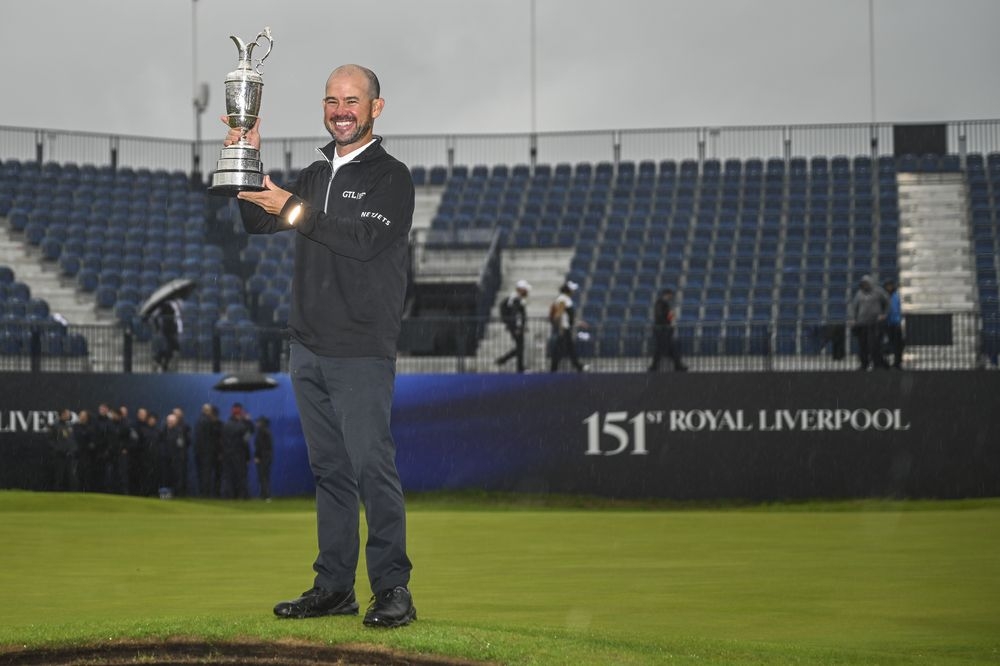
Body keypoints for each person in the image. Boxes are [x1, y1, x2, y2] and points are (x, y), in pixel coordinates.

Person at [229, 63, 416, 628]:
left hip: (360, 348)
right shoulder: (313, 176)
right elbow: (256, 223)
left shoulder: (392, 177)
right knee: (331, 472)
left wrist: (290, 206)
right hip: (307, 346)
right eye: (332, 100)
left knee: (371, 469)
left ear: (376, 108)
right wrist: (246, 154)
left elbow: (361, 241)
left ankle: (394, 589)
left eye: (352, 100)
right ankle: (334, 587)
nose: (341, 109)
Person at [848, 275, 889, 371]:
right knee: (863, 345)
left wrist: (884, 314)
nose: (864, 285)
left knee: (874, 345)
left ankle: (877, 364)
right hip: (861, 323)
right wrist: (853, 318)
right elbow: (854, 307)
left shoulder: (878, 291)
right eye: (863, 284)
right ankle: (864, 364)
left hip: (875, 323)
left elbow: (887, 302)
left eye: (866, 283)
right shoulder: (859, 294)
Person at [549, 281, 588, 372]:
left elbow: (568, 315)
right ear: (568, 290)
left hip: (565, 327)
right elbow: (559, 314)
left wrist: (578, 322)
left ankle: (578, 366)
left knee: (567, 348)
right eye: (572, 289)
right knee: (561, 349)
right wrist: (561, 327)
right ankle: (554, 369)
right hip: (563, 328)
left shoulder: (565, 299)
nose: (574, 291)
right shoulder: (563, 299)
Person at [495, 279, 531, 373]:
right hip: (515, 327)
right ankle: (504, 361)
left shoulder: (514, 298)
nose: (527, 291)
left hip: (514, 326)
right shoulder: (516, 299)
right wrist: (518, 327)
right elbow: (516, 315)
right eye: (525, 289)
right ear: (520, 289)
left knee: (520, 347)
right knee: (520, 347)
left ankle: (518, 366)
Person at [648, 288, 688, 372]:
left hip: (664, 330)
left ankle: (676, 365)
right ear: (666, 294)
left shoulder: (664, 304)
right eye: (670, 295)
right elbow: (660, 316)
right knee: (663, 349)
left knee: (668, 348)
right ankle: (655, 367)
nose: (671, 297)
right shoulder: (660, 303)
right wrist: (668, 320)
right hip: (662, 331)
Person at [220, 403, 253, 500]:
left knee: (228, 476)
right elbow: (246, 440)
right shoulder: (242, 426)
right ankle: (242, 495)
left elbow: (222, 441)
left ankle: (229, 495)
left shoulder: (225, 425)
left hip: (227, 455)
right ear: (239, 414)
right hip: (239, 455)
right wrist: (248, 421)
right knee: (241, 476)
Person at [195, 403, 222, 497]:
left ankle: (203, 492)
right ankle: (206, 493)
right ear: (208, 411)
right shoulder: (208, 422)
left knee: (202, 474)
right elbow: (213, 437)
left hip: (200, 452)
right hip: (208, 452)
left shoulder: (199, 421)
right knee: (207, 474)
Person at [47, 408, 77, 491]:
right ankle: (57, 493)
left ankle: (70, 493)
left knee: (70, 475)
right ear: (62, 414)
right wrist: (59, 449)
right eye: (67, 413)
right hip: (59, 455)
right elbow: (50, 440)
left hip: (69, 455)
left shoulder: (69, 425)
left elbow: (72, 440)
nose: (69, 415)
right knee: (58, 475)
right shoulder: (54, 425)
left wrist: (73, 449)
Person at [152, 298, 182, 372]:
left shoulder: (176, 304)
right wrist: (157, 327)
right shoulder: (165, 305)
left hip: (173, 330)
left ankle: (160, 362)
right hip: (167, 330)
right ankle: (158, 360)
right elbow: (155, 316)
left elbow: (177, 318)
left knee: (173, 349)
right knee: (173, 348)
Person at [883, 278, 905, 369]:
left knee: (898, 344)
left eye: (890, 286)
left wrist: (899, 320)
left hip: (896, 323)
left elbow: (899, 309)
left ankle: (897, 362)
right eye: (888, 286)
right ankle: (886, 363)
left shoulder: (896, 296)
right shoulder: (884, 296)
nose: (889, 287)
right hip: (887, 324)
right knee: (887, 344)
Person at [253, 416, 274, 501]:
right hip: (267, 457)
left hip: (263, 458)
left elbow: (260, 446)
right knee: (264, 477)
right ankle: (263, 495)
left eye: (258, 422)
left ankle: (266, 495)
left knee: (263, 477)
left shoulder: (261, 432)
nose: (257, 424)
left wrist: (257, 456)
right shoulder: (267, 432)